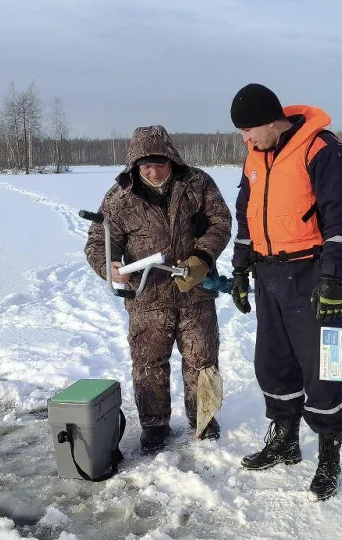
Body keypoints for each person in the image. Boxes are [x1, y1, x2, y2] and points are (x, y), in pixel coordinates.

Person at [228, 83, 342, 501]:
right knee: (272, 362)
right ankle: (285, 439)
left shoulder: (322, 149)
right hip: (268, 274)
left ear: (272, 121)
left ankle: (329, 454)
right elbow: (247, 216)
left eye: (249, 130)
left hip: (312, 272)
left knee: (328, 366)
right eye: (241, 133)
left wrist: (333, 278)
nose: (245, 139)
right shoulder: (255, 156)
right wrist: (240, 269)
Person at [84, 125, 233, 454]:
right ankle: (154, 425)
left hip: (196, 291)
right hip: (147, 297)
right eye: (145, 165)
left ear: (171, 159)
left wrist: (202, 257)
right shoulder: (119, 197)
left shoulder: (197, 183)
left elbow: (221, 221)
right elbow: (99, 241)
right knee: (148, 363)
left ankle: (204, 419)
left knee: (203, 359)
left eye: (159, 164)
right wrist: (107, 266)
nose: (153, 171)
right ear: (134, 165)